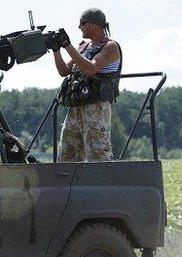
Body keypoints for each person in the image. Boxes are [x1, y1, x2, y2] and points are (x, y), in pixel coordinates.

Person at [50, 7, 122, 162]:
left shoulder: (110, 47)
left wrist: (67, 46)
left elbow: (91, 69)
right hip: (76, 107)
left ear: (93, 25)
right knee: (67, 155)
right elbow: (63, 71)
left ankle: (103, 185)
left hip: (97, 107)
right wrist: (56, 49)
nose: (79, 27)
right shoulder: (83, 48)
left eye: (82, 23)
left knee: (98, 154)